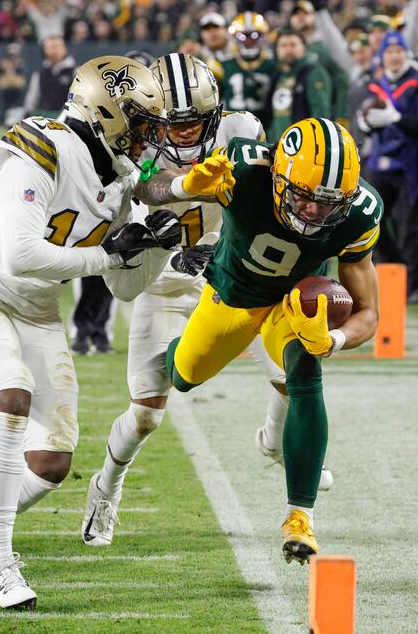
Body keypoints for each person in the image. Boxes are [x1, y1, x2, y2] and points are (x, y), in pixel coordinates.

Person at [0, 55, 227, 610]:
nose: (150, 137)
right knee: (12, 397)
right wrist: (106, 253)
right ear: (107, 112)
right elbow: (19, 255)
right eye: (142, 123)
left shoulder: (119, 176)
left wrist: (154, 244)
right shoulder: (42, 145)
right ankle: (1, 563)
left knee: (51, 466)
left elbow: (127, 289)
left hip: (39, 313)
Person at [81, 53, 331, 546]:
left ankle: (276, 443)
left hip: (235, 274)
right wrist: (174, 231)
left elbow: (263, 195)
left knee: (291, 372)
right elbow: (146, 198)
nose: (185, 134)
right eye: (174, 125)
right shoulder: (132, 144)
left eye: (196, 122)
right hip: (166, 280)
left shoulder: (240, 129)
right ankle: (106, 486)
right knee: (148, 411)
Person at [141, 117, 382, 564]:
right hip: (231, 295)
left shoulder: (361, 212)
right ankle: (174, 350)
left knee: (306, 368)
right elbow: (149, 188)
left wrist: (333, 339)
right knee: (183, 376)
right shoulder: (244, 170)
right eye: (303, 196)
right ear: (278, 175)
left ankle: (300, 518)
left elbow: (369, 314)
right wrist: (182, 186)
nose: (313, 211)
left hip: (293, 302)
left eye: (328, 203)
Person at [358, 30, 418, 304]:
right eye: (389, 52)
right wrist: (366, 124)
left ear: (407, 54)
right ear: (382, 56)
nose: (394, 57)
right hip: (378, 162)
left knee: (409, 226)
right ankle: (392, 273)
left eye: (398, 52)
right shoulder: (374, 84)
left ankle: (415, 284)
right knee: (370, 225)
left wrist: (398, 118)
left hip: (409, 163)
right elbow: (367, 126)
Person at [266, 29, 333, 142]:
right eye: (283, 45)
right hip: (277, 146)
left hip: (303, 146)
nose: (288, 49)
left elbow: (321, 112)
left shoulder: (314, 73)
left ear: (303, 48)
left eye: (293, 45)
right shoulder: (277, 76)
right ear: (276, 50)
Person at [219, 12, 277, 123]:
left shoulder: (272, 65)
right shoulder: (224, 65)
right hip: (232, 126)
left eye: (254, 35)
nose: (248, 40)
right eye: (243, 36)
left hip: (264, 125)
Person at [22, 35, 76, 117]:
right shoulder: (39, 74)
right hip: (45, 120)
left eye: (56, 46)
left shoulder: (75, 72)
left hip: (67, 119)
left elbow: (75, 101)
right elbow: (31, 101)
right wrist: (26, 115)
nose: (54, 51)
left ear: (65, 48)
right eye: (50, 47)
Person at [0, 43, 26, 126]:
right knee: (5, 105)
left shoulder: (20, 62)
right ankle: (4, 121)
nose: (13, 56)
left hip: (16, 87)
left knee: (18, 105)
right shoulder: (3, 61)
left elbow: (21, 75)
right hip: (6, 87)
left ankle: (18, 121)